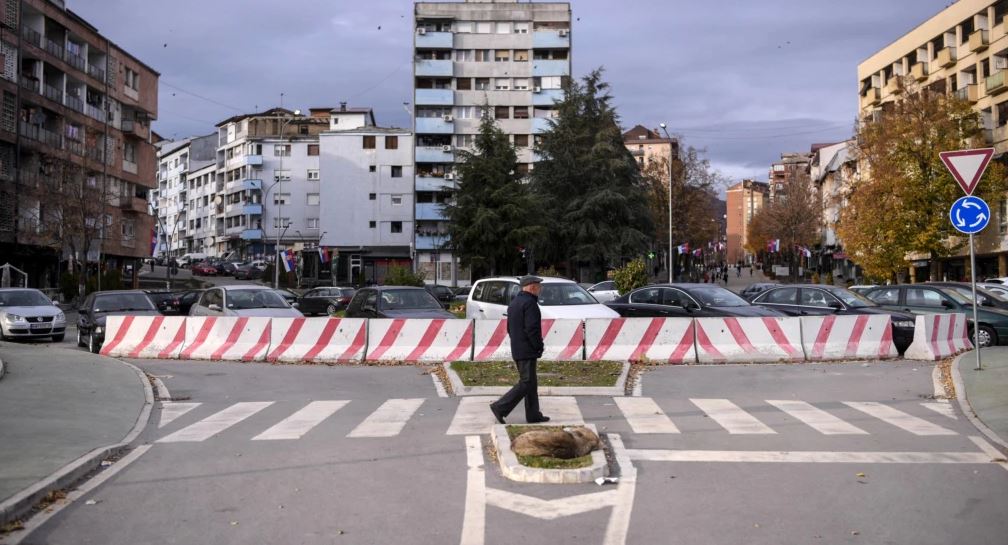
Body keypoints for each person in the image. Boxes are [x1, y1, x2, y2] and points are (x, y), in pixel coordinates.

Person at [490, 275, 549, 424]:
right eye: (538, 286)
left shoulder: (515, 303)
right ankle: (500, 407)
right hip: (527, 349)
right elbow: (532, 329)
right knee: (527, 382)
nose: (540, 289)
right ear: (532, 287)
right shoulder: (530, 304)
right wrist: (538, 346)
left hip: (518, 347)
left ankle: (533, 414)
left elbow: (509, 328)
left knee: (531, 382)